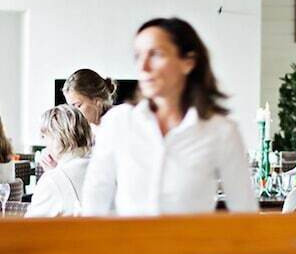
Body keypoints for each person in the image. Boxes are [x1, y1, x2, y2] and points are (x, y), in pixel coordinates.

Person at [82, 17, 257, 216]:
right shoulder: (118, 122)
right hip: (128, 238)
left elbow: (245, 212)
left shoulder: (221, 131)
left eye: (156, 54)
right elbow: (93, 205)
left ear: (188, 62)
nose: (143, 66)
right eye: (138, 56)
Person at [27, 105, 93, 217]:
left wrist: (54, 175)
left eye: (44, 136)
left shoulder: (51, 181)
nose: (44, 143)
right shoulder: (100, 168)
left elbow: (28, 225)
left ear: (58, 137)